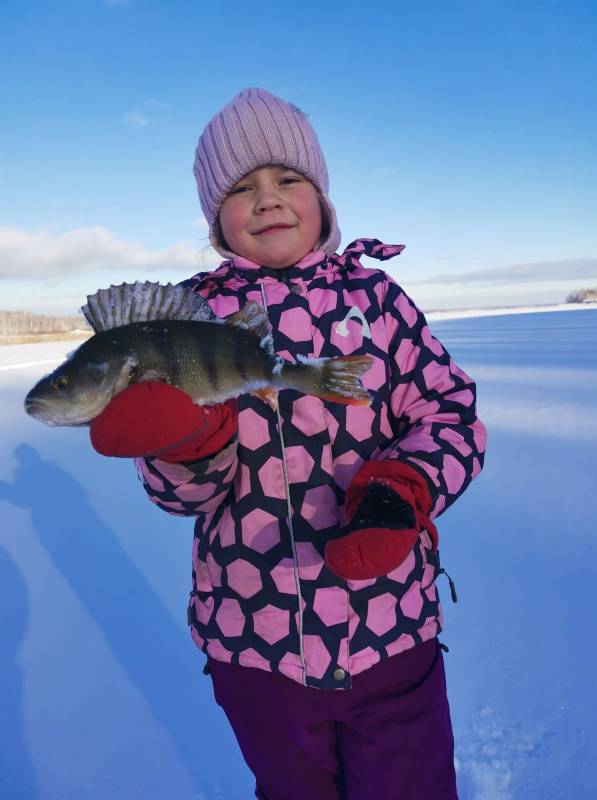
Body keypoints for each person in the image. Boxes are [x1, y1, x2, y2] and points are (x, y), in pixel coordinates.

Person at [90, 88, 487, 799]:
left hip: (391, 627)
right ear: (218, 219)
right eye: (242, 188)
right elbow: (182, 497)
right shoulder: (191, 316)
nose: (267, 199)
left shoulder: (378, 303)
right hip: (254, 641)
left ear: (323, 198)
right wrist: (184, 447)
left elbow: (451, 414)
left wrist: (406, 488)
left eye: (287, 179)